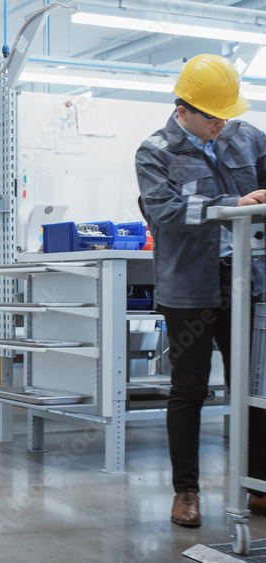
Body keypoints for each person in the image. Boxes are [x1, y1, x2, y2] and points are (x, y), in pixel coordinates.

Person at [137, 53, 266, 528]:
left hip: (245, 282)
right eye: (213, 115)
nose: (222, 123)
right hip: (189, 289)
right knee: (188, 390)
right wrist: (230, 204)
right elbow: (165, 213)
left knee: (253, 389)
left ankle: (257, 485)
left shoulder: (249, 138)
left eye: (227, 113)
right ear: (184, 109)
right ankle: (186, 491)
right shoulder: (154, 151)